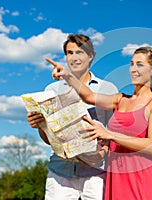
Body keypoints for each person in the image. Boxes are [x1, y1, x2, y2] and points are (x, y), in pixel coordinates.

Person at [47, 46, 152, 200]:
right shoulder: (120, 99)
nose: (133, 69)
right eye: (131, 64)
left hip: (139, 177)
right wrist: (67, 75)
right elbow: (89, 96)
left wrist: (110, 134)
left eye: (140, 64)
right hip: (115, 176)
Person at [27, 34, 118, 200]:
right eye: (70, 53)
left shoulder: (108, 88)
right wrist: (39, 125)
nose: (74, 58)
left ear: (91, 56)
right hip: (60, 170)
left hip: (96, 172)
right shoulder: (51, 90)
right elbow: (49, 138)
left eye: (79, 52)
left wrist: (102, 154)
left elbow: (114, 132)